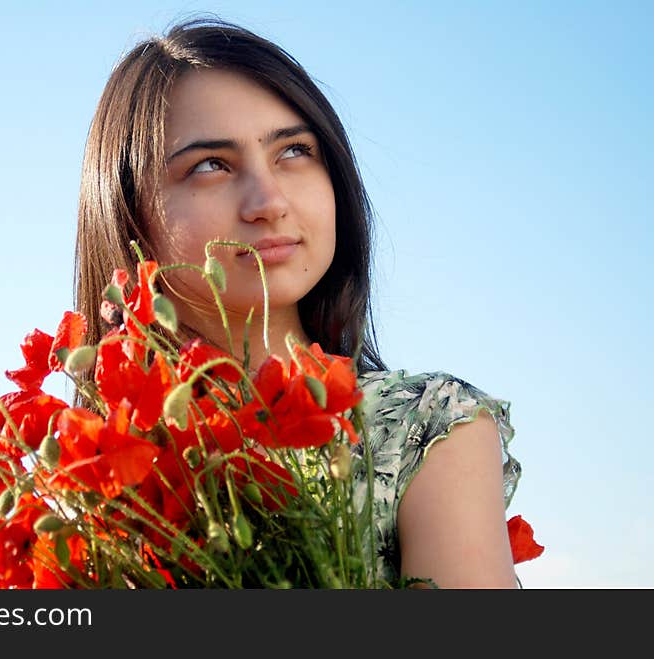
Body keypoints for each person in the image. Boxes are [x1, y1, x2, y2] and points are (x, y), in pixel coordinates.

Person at [72, 17, 521, 588]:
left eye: (294, 151)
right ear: (128, 211)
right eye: (211, 165)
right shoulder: (85, 488)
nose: (269, 201)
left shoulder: (426, 429)